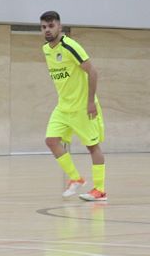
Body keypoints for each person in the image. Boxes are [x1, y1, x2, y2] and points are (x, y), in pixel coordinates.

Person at [40, 11, 107, 202]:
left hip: (82, 107)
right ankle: (76, 178)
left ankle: (100, 190)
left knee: (92, 147)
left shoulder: (70, 46)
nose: (47, 30)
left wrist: (90, 101)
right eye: (44, 27)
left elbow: (93, 72)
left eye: (51, 26)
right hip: (63, 107)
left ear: (59, 27)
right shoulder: (46, 49)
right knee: (51, 141)